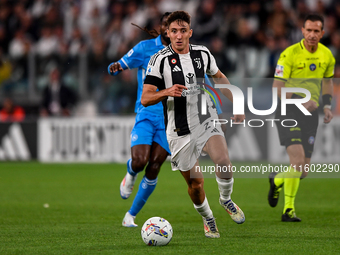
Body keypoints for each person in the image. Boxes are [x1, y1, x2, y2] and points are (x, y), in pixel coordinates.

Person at [141, 11, 245, 238]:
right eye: (174, 31)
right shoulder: (159, 61)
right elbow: (145, 98)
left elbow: (219, 78)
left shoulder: (202, 54)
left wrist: (237, 103)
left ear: (190, 32)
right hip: (178, 130)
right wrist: (167, 91)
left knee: (224, 162)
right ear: (167, 33)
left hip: (205, 117)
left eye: (183, 31)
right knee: (196, 185)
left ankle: (226, 199)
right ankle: (208, 218)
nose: (179, 36)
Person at [268, 14, 335, 222]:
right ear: (302, 31)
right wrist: (300, 101)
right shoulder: (289, 55)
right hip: (289, 111)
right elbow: (277, 88)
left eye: (317, 31)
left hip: (311, 114)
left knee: (303, 171)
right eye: (309, 30)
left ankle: (277, 180)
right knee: (296, 162)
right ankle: (288, 211)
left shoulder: (327, 56)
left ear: (322, 33)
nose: (312, 35)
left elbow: (327, 82)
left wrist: (326, 106)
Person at [108, 13, 172, 227]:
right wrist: (115, 67)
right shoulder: (145, 48)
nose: (168, 29)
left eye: (173, 26)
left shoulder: (184, 53)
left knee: (154, 167)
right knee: (140, 161)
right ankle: (130, 172)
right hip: (146, 112)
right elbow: (122, 63)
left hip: (170, 118)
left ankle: (130, 216)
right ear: (161, 27)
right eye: (165, 25)